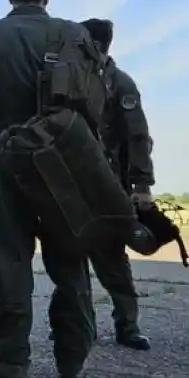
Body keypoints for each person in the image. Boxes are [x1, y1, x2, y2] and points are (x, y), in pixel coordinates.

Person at [0, 0, 101, 378]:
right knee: (71, 257)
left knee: (11, 257)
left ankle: (12, 360)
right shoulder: (75, 35)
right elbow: (98, 106)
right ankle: (73, 363)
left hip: (11, 156)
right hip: (68, 160)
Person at [79, 18, 153, 351]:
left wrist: (141, 185)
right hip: (76, 185)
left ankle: (128, 324)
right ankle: (77, 324)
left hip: (110, 186)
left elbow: (137, 136)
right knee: (71, 255)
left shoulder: (120, 83)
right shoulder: (75, 78)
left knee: (112, 258)